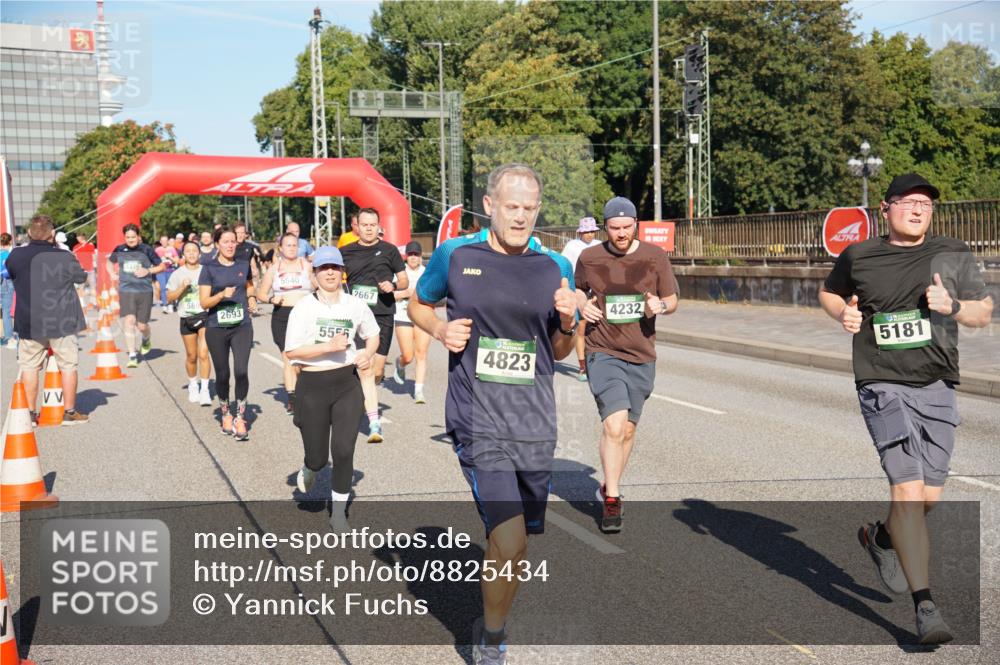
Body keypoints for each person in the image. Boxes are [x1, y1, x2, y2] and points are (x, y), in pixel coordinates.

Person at [409, 163, 577, 665]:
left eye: (529, 208)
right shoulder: (456, 255)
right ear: (490, 204)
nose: (520, 216)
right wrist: (440, 331)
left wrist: (568, 320)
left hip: (532, 422)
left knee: (517, 544)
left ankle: (492, 620)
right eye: (511, 206)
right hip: (476, 416)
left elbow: (562, 350)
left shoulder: (554, 268)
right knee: (507, 535)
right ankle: (492, 641)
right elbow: (419, 303)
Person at [819, 173, 993, 645]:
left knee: (927, 499)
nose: (918, 209)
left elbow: (983, 311)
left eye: (926, 204)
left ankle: (881, 539)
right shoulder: (860, 255)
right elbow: (830, 292)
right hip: (880, 380)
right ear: (886, 207)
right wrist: (844, 314)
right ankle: (925, 607)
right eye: (909, 202)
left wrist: (952, 304)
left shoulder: (951, 252)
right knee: (910, 491)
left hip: (937, 383)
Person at [575, 197, 678, 533]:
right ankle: (613, 499)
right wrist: (582, 306)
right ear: (605, 227)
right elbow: (577, 290)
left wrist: (657, 306)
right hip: (602, 349)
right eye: (614, 228)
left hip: (641, 352)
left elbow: (673, 300)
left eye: (626, 227)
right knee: (614, 426)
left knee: (628, 429)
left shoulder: (654, 256)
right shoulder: (590, 257)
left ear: (636, 223)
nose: (620, 234)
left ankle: (610, 482)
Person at [284, 246, 379, 532]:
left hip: (346, 384)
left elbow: (372, 334)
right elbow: (291, 351)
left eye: (334, 268)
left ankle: (338, 513)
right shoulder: (304, 306)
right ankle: (310, 467)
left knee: (343, 450)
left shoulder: (354, 305)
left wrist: (367, 353)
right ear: (314, 274)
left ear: (342, 272)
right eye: (323, 268)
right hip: (312, 385)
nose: (329, 273)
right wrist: (328, 346)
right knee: (318, 457)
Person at [5, 215, 89, 424]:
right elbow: (81, 277)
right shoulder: (64, 256)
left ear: (30, 234)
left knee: (30, 366)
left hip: (29, 320)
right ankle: (69, 412)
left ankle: (30, 414)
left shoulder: (16, 255)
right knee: (68, 365)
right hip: (61, 320)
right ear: (52, 234)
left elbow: (11, 274)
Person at [340, 207, 408, 443]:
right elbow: (334, 280)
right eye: (365, 224)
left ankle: (366, 392)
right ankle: (373, 419)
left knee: (377, 370)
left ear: (379, 226)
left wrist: (393, 285)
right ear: (356, 226)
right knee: (365, 368)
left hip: (383, 314)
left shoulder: (389, 250)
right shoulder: (345, 252)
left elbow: (404, 280)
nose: (369, 228)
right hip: (357, 318)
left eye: (373, 225)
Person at [199, 226, 257, 441]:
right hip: (216, 327)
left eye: (233, 241)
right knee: (223, 375)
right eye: (225, 241)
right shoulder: (209, 268)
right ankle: (225, 413)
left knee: (241, 371)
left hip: (242, 325)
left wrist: (251, 299)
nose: (231, 245)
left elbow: (249, 286)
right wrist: (222, 294)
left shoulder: (243, 264)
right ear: (217, 244)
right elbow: (204, 302)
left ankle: (240, 417)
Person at [257, 233, 314, 415]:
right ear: (280, 248)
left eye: (294, 245)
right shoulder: (274, 269)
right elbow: (261, 294)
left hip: (305, 315)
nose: (291, 248)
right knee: (288, 358)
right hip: (283, 316)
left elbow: (318, 285)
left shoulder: (307, 266)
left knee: (303, 360)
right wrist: (272, 299)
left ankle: (305, 392)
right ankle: (293, 399)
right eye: (287, 245)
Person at [107, 223, 165, 368]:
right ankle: (132, 355)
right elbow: (109, 262)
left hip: (144, 291)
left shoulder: (147, 249)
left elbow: (162, 266)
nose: (130, 240)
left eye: (133, 237)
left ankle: (146, 338)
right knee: (129, 321)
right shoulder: (120, 249)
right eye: (127, 237)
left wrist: (148, 271)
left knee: (141, 325)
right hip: (126, 290)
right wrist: (112, 273)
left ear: (138, 236)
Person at [166, 241, 213, 406]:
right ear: (183, 255)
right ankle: (193, 385)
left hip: (205, 316)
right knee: (192, 356)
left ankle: (205, 389)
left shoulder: (206, 271)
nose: (192, 254)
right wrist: (181, 288)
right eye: (188, 251)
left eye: (195, 251)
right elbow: (169, 297)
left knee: (203, 354)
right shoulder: (177, 274)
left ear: (199, 254)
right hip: (186, 317)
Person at [561, 216, 602, 381]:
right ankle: (582, 366)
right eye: (586, 231)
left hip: (598, 289)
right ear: (580, 232)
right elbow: (565, 265)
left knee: (599, 324)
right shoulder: (572, 246)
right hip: (580, 289)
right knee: (582, 326)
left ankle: (599, 361)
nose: (590, 235)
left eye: (592, 231)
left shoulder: (599, 246)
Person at [392, 240, 431, 403]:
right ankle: (400, 364)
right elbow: (390, 295)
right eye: (411, 255)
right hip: (402, 315)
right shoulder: (399, 274)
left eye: (417, 254)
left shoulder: (428, 272)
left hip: (422, 316)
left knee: (421, 353)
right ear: (406, 257)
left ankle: (419, 390)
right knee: (408, 356)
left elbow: (437, 292)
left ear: (421, 256)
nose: (414, 257)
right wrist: (406, 293)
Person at [154, 234, 180, 314]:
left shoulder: (172, 249)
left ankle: (171, 304)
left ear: (168, 241)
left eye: (166, 241)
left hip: (170, 270)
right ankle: (165, 305)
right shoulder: (157, 250)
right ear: (160, 242)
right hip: (161, 271)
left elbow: (177, 260)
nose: (164, 242)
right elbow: (153, 260)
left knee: (170, 288)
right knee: (162, 288)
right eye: (163, 241)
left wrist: (170, 258)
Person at [1, 232, 14, 348]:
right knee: (6, 311)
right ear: (9, 241)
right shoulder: (8, 255)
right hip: (6, 283)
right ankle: (9, 336)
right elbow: (9, 272)